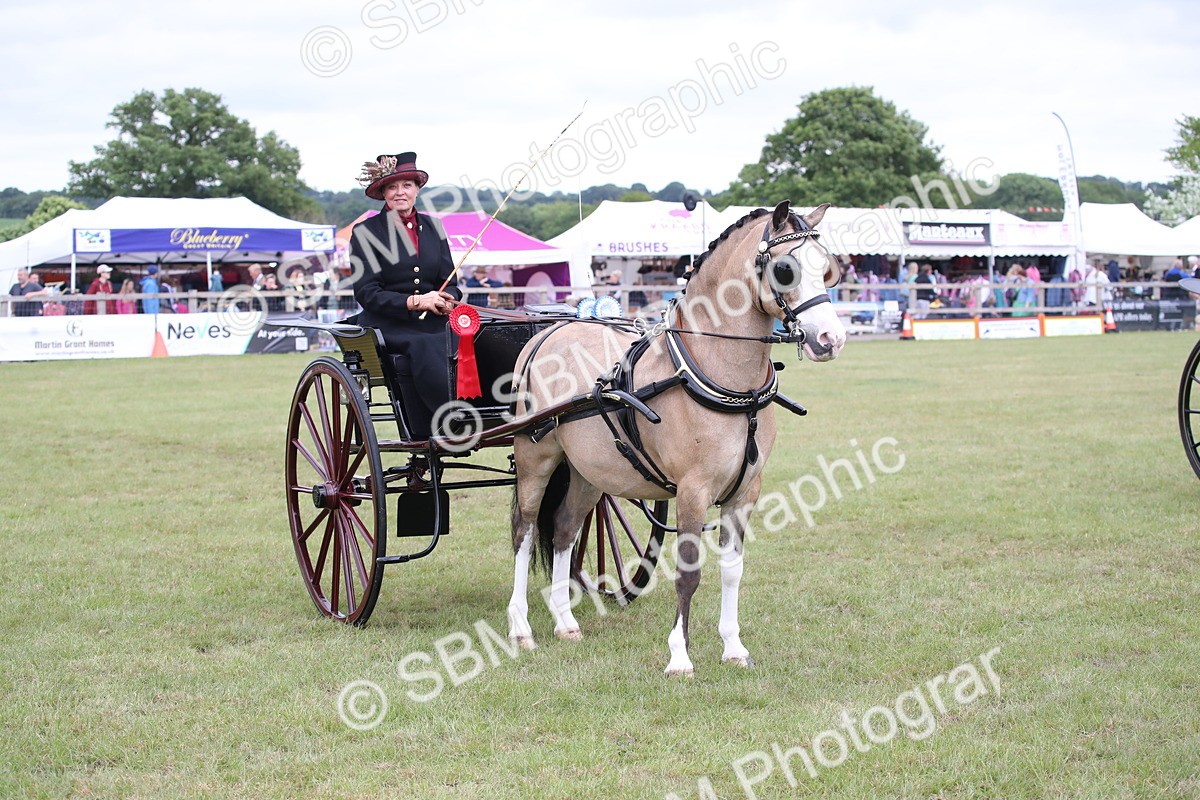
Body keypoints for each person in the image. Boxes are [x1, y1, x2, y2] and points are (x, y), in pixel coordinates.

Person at [349, 151, 460, 437]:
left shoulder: (435, 228)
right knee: (425, 344)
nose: (400, 192)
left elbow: (451, 282)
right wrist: (413, 301)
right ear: (384, 193)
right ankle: (447, 422)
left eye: (406, 185)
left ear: (417, 189)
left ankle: (494, 413)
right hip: (388, 322)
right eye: (392, 187)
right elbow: (366, 292)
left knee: (478, 338)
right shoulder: (365, 232)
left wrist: (448, 298)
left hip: (434, 318)